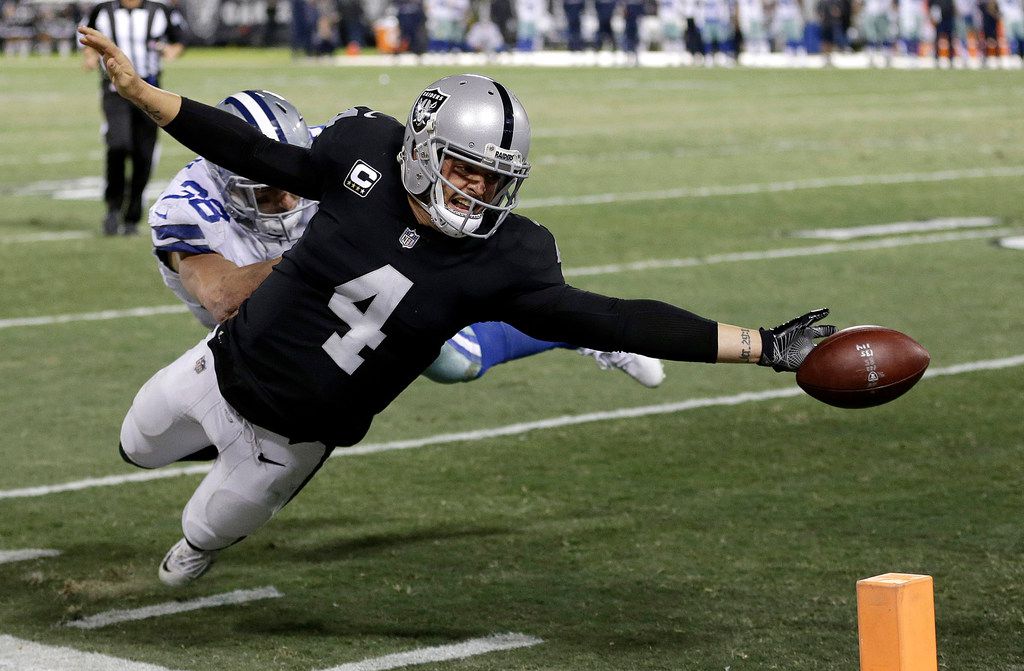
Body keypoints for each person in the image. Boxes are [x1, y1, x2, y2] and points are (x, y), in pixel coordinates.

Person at [81, 25, 837, 587]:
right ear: (420, 145)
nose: (477, 191)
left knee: (196, 538)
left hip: (294, 440)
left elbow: (615, 315)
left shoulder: (505, 258)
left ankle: (205, 544)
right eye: (465, 169)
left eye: (493, 178)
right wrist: (147, 96)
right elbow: (259, 155)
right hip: (218, 368)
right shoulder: (361, 155)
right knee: (134, 444)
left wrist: (765, 344)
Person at [149, 88, 665, 388]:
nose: (287, 201)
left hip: (344, 283)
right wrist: (333, 247)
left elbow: (406, 161)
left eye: (290, 185)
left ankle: (575, 327)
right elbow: (222, 297)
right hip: (280, 302)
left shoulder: (327, 147)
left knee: (454, 362)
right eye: (267, 194)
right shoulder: (187, 208)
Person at [82, 0, 185, 237]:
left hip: (149, 89)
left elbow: (179, 38)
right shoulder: (103, 10)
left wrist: (172, 50)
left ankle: (132, 214)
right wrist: (89, 55)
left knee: (143, 153)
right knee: (118, 144)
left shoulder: (159, 11)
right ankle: (113, 206)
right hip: (114, 89)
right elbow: (88, 37)